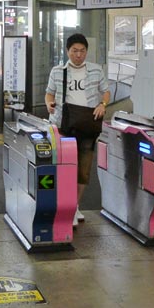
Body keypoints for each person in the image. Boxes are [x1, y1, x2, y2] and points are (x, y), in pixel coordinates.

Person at [44, 34, 111, 227]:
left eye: (82, 51)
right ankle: (66, 206)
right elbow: (49, 92)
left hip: (88, 125)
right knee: (64, 167)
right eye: (74, 51)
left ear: (86, 52)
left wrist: (103, 104)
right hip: (62, 125)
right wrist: (49, 103)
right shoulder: (58, 71)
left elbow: (106, 90)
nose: (79, 55)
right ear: (67, 51)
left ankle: (74, 206)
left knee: (83, 169)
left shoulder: (96, 70)